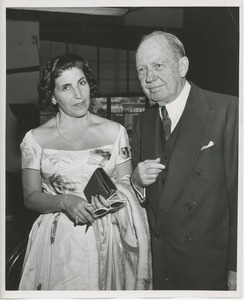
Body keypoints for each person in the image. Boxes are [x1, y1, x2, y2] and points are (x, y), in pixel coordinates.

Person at [18, 53, 152, 290]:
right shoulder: (35, 139)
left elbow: (126, 185)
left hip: (108, 235)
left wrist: (116, 195)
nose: (78, 95)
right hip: (58, 239)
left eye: (81, 83)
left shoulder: (115, 132)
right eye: (66, 87)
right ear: (52, 96)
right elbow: (30, 197)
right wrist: (64, 201)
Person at [131, 31, 238, 290]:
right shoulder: (142, 123)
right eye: (142, 69)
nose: (148, 78)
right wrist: (136, 181)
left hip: (208, 268)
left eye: (158, 66)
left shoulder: (228, 111)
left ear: (182, 66)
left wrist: (237, 268)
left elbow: (240, 198)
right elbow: (140, 204)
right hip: (160, 267)